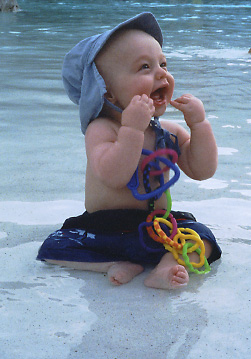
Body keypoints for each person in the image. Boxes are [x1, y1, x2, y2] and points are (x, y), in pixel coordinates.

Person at [37, 13, 221, 289]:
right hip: (104, 232)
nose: (162, 73)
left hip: (155, 228)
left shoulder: (167, 131)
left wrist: (199, 125)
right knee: (55, 247)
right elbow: (114, 176)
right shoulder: (102, 130)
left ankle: (167, 267)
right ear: (107, 93)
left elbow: (203, 170)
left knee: (202, 236)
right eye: (145, 67)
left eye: (163, 64)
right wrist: (132, 130)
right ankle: (113, 264)